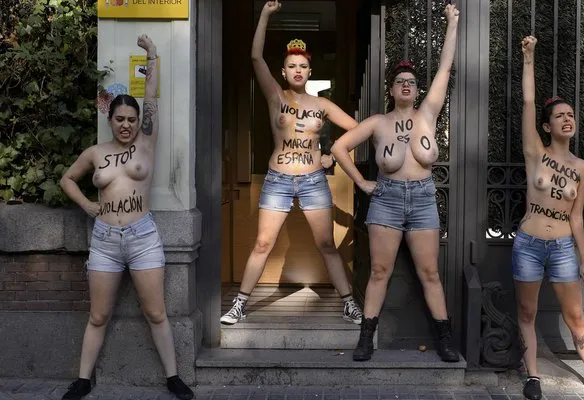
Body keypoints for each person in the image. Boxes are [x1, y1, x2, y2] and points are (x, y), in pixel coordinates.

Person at [59, 35, 194, 400]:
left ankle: (173, 377)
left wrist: (152, 54)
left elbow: (151, 97)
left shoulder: (146, 143)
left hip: (142, 237)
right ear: (110, 119)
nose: (126, 125)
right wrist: (87, 205)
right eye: (120, 118)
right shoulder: (96, 153)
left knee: (156, 312)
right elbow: (67, 180)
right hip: (104, 240)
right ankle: (83, 380)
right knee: (98, 316)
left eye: (132, 119)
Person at [220, 0, 362, 326]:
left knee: (325, 243)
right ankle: (240, 304)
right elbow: (255, 57)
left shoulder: (322, 104)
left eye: (302, 66)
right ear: (283, 71)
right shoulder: (275, 97)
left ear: (310, 72)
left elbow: (357, 129)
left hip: (313, 179)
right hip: (278, 178)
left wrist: (331, 154)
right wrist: (266, 15)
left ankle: (348, 302)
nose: (297, 70)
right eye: (292, 65)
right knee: (262, 243)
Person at [330, 4, 460, 362]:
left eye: (411, 82)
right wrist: (362, 182)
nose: (406, 85)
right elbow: (339, 147)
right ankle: (365, 338)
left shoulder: (428, 115)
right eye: (400, 81)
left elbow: (445, 69)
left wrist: (452, 24)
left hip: (422, 199)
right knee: (380, 271)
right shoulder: (377, 122)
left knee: (430, 272)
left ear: (418, 90)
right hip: (386, 198)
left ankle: (444, 339)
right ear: (391, 89)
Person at [512, 35, 584, 400]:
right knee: (527, 311)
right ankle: (533, 377)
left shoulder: (582, 168)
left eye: (571, 115)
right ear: (546, 126)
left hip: (561, 249)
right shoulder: (535, 154)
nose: (567, 119)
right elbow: (527, 101)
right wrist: (528, 58)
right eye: (559, 116)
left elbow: (576, 218)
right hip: (527, 243)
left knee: (576, 317)